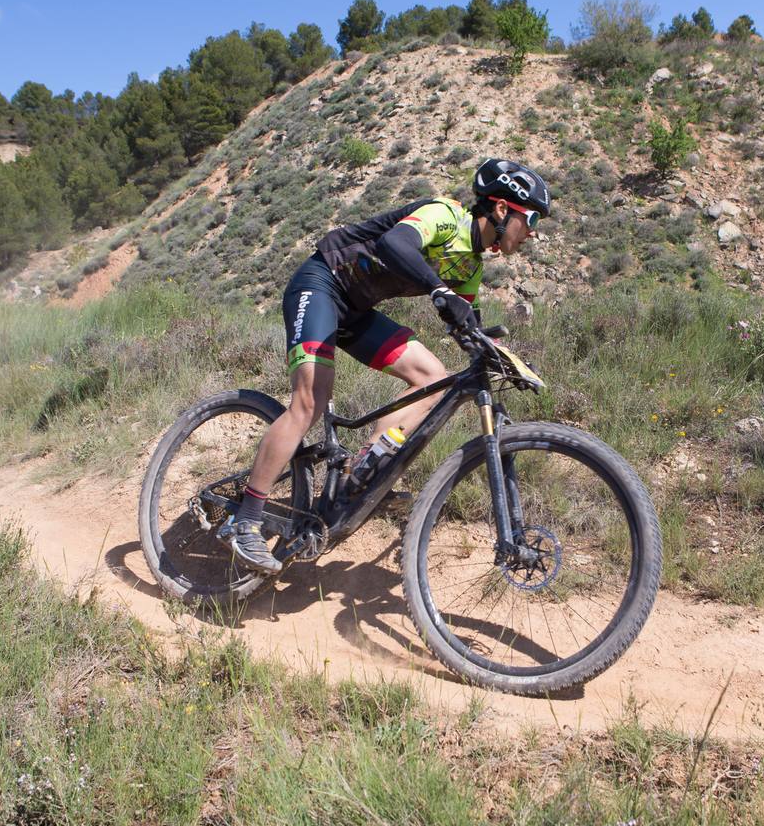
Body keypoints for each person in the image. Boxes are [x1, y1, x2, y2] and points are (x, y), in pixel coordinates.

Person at [224, 158, 551, 573]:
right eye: (531, 218)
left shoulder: (470, 265)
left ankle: (366, 465)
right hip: (321, 284)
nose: (533, 231)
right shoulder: (445, 215)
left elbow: (467, 325)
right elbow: (394, 245)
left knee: (434, 377)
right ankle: (246, 520)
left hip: (357, 312)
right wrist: (437, 290)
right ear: (502, 209)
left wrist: (494, 350)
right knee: (309, 402)